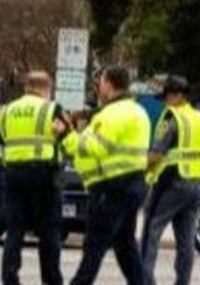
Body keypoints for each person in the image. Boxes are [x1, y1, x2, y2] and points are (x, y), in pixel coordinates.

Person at [63, 66, 151, 285]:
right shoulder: (139, 112)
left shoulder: (110, 115)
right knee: (125, 247)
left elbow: (94, 147)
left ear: (109, 85)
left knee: (94, 246)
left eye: (101, 82)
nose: (98, 87)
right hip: (135, 185)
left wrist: (68, 135)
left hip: (110, 187)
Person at [140, 75, 200, 285]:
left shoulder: (172, 118)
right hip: (197, 183)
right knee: (186, 239)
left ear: (177, 96)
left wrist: (139, 170)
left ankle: (144, 280)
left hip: (173, 181)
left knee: (151, 230)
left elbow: (156, 155)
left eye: (166, 97)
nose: (164, 102)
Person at [0, 72, 67, 285]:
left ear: (27, 87)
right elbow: (65, 134)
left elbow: (0, 139)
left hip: (13, 174)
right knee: (49, 231)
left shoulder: (8, 110)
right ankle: (51, 279)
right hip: (43, 174)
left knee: (15, 229)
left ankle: (10, 278)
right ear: (46, 88)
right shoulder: (51, 108)